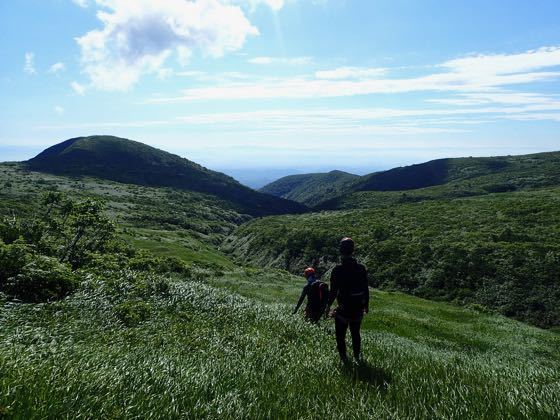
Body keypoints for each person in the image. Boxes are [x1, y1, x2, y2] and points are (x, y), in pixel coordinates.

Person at [325, 237, 369, 362]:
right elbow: (365, 288)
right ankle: (357, 358)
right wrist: (366, 305)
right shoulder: (361, 268)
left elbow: (333, 291)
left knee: (340, 335)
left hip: (344, 309)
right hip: (358, 307)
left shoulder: (338, 269)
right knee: (356, 333)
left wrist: (328, 306)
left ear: (340, 250)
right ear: (352, 250)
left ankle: (344, 359)